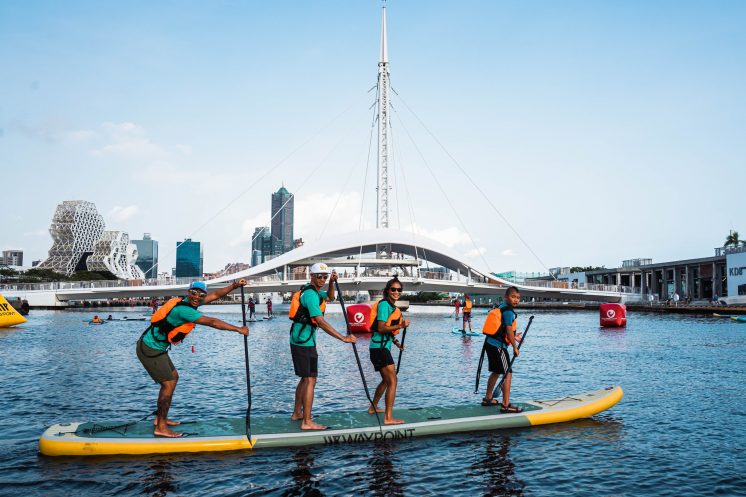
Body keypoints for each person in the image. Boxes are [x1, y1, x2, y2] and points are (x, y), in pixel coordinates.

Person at [136, 280, 250, 438]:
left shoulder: (190, 302)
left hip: (156, 348)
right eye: (194, 293)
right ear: (188, 292)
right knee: (167, 385)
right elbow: (212, 322)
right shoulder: (185, 310)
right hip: (150, 349)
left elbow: (216, 294)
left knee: (173, 378)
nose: (197, 297)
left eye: (201, 294)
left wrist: (234, 286)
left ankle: (160, 419)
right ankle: (161, 427)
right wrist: (238, 329)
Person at [289, 263, 356, 430]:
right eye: (319, 276)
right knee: (310, 379)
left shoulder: (317, 293)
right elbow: (320, 321)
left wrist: (332, 283)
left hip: (305, 340)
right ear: (311, 276)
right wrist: (343, 338)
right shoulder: (311, 295)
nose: (322, 279)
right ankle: (306, 422)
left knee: (306, 379)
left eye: (325, 276)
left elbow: (331, 297)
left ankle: (298, 413)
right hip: (303, 340)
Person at [368, 276, 409, 425]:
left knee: (386, 380)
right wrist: (401, 326)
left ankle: (373, 407)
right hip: (379, 349)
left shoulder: (391, 307)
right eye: (393, 289)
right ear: (387, 291)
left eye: (399, 290)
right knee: (392, 381)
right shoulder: (385, 305)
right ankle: (388, 418)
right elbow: (381, 327)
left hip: (380, 347)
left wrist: (397, 343)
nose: (396, 292)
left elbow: (387, 332)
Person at [481, 287, 523, 413]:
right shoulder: (509, 312)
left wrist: (514, 337)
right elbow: (509, 330)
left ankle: (488, 398)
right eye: (513, 297)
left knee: (496, 371)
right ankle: (505, 405)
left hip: (490, 343)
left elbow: (502, 328)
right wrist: (515, 347)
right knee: (507, 373)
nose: (516, 300)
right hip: (498, 346)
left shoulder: (503, 307)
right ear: (506, 297)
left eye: (518, 298)